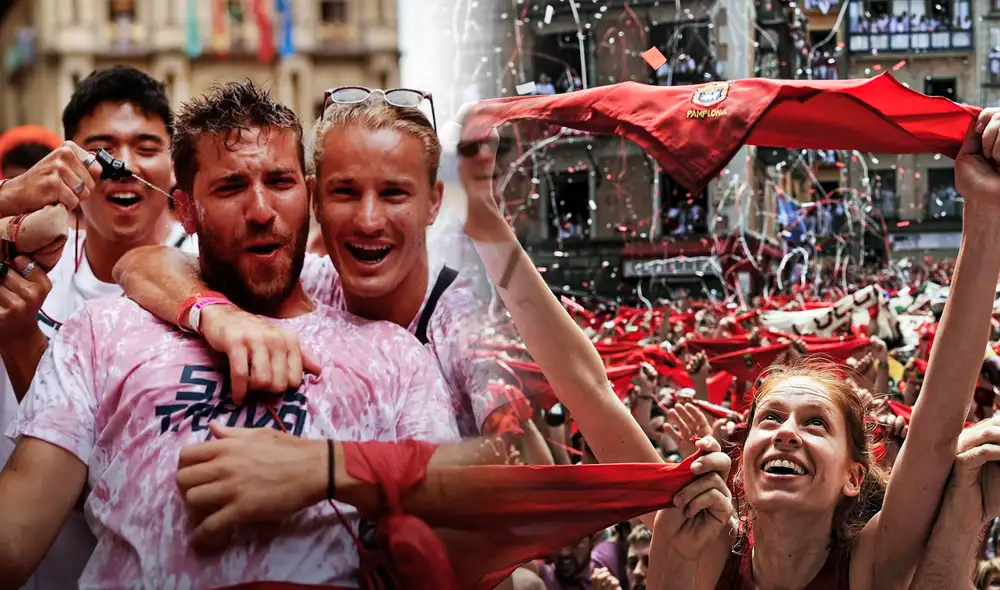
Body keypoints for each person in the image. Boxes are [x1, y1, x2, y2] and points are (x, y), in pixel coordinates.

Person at [0, 80, 460, 589]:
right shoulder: (101, 332)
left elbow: (459, 530)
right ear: (186, 210)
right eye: (231, 187)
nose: (262, 210)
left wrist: (325, 471)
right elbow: (13, 540)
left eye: (280, 182)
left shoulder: (392, 353)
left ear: (308, 193)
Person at [645, 108, 1000, 590]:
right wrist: (500, 231)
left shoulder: (871, 566)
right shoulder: (700, 549)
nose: (786, 433)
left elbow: (936, 428)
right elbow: (591, 393)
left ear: (854, 477)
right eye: (769, 418)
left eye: (815, 423)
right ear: (740, 468)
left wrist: (984, 213)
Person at [0, 65, 193, 590]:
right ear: (66, 161)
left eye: (146, 145)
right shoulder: (26, 263)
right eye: (103, 146)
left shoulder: (211, 282)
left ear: (174, 166)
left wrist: (21, 343)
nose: (123, 165)